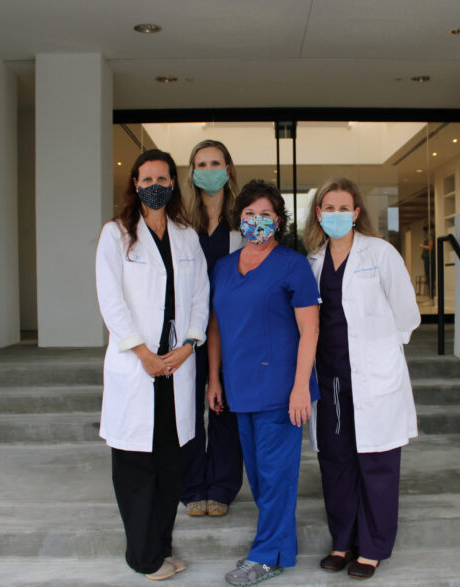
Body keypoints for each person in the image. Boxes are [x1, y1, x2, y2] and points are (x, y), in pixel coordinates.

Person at [95, 149, 209, 581]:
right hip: (137, 367)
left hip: (176, 367)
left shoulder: (186, 235)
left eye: (162, 177)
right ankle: (143, 558)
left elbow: (201, 295)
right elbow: (111, 300)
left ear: (174, 183)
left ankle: (161, 546)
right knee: (135, 468)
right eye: (146, 179)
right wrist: (141, 353)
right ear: (135, 185)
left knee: (169, 466)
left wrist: (189, 345)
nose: (154, 185)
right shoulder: (116, 234)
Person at [304, 177, 420, 580]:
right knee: (335, 462)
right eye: (328, 208)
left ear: (356, 213)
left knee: (377, 462)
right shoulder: (312, 260)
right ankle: (343, 541)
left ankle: (372, 546)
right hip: (331, 377)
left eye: (343, 208)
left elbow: (407, 313)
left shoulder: (380, 253)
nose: (336, 215)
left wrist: (383, 351)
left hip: (373, 377)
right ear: (319, 213)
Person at [207, 179, 320, 586]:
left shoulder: (293, 265)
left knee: (276, 477)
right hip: (240, 387)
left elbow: (310, 330)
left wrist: (300, 387)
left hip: (281, 390)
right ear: (240, 218)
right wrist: (214, 379)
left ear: (279, 220)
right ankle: (280, 550)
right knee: (259, 477)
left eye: (266, 214)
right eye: (250, 214)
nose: (257, 221)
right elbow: (215, 326)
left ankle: (265, 556)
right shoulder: (223, 267)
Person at [181, 139, 244, 518]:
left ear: (228, 169)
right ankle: (191, 487)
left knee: (225, 408)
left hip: (231, 332)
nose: (208, 170)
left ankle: (221, 486)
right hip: (190, 332)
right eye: (201, 164)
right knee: (187, 409)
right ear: (191, 172)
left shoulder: (241, 225)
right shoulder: (181, 225)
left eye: (215, 163)